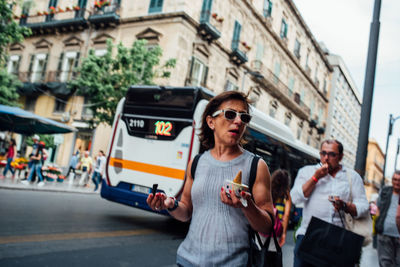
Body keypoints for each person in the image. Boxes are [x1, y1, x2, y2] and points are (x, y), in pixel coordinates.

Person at [146, 91, 274, 266]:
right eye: (230, 114)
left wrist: (246, 204)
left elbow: (267, 226)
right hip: (187, 260)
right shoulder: (197, 163)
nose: (238, 121)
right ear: (211, 121)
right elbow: (186, 212)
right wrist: (170, 204)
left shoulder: (256, 166)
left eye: (243, 117)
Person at [290, 139, 369, 267]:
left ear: (341, 157)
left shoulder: (352, 177)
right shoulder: (307, 172)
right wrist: (315, 178)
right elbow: (295, 198)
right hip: (308, 236)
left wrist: (345, 206)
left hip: (337, 241)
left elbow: (364, 207)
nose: (326, 158)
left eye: (332, 154)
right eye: (323, 153)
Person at [375, 170, 400, 266]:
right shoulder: (385, 191)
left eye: (399, 180)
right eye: (395, 179)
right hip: (384, 234)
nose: (397, 182)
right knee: (385, 263)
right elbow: (378, 209)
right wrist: (376, 226)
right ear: (392, 180)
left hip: (398, 236)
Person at [271, 169, 292, 247]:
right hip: (276, 229)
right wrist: (283, 234)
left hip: (264, 225)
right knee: (272, 254)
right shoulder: (286, 195)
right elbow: (286, 215)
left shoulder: (268, 190)